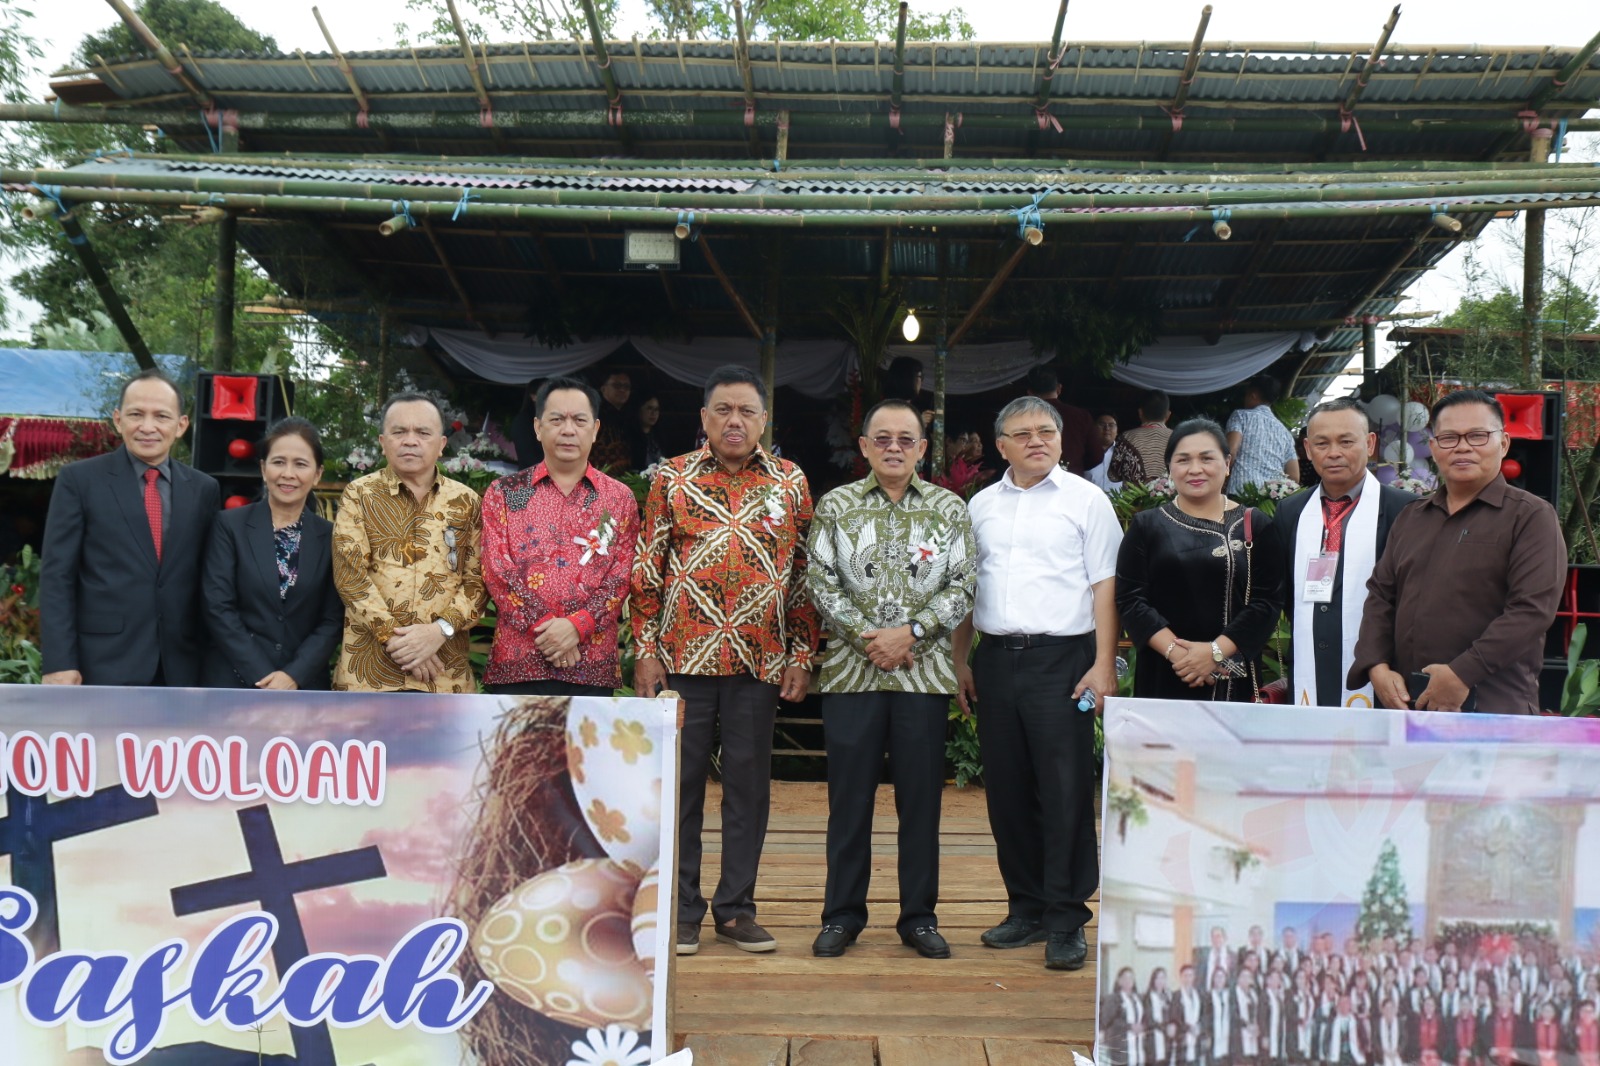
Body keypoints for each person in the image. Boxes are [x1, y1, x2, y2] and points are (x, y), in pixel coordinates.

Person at [631, 364, 820, 957]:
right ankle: (682, 910)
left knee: (748, 788)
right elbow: (647, 570)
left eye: (746, 411)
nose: (734, 421)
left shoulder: (790, 482)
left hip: (758, 661)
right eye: (723, 410)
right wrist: (645, 651)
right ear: (704, 418)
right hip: (682, 657)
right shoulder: (671, 479)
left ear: (764, 420)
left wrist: (801, 653)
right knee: (680, 788)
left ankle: (736, 909)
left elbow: (803, 577)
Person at [952, 394, 1122, 971]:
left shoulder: (1088, 500)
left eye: (1046, 431)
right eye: (1022, 434)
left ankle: (1066, 915)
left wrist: (1103, 666)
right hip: (997, 659)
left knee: (1065, 787)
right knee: (1007, 789)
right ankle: (1023, 907)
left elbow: (1105, 587)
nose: (1036, 441)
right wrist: (960, 662)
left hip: (1063, 662)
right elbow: (967, 593)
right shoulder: (980, 507)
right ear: (1001, 446)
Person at [806, 399, 976, 961]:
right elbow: (821, 582)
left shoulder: (949, 510)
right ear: (864, 446)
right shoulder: (836, 506)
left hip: (922, 677)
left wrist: (911, 633)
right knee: (848, 801)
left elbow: (963, 584)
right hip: (852, 676)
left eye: (907, 439)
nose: (894, 447)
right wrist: (869, 638)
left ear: (924, 448)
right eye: (883, 438)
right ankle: (842, 915)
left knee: (921, 803)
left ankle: (919, 917)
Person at [1348, 390, 1566, 713]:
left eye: (1478, 436)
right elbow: (1381, 595)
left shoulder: (1530, 517)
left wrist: (1462, 673)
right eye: (1449, 437)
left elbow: (1531, 611)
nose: (1463, 446)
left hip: (1493, 707)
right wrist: (1376, 665)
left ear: (1503, 443)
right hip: (1409, 706)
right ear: (1434, 447)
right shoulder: (1413, 516)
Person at [40, 368, 220, 687]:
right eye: (136, 414)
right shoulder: (80, 481)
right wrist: (59, 662)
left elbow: (209, 580)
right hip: (102, 662)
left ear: (181, 425)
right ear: (118, 419)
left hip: (183, 665)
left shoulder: (204, 489)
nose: (147, 426)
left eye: (161, 416)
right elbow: (57, 576)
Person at [479, 376, 639, 697]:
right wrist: (552, 632)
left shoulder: (619, 498)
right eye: (557, 419)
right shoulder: (505, 493)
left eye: (579, 420)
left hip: (590, 663)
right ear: (538, 427)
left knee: (584, 750)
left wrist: (577, 627)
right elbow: (497, 571)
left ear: (594, 429)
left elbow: (621, 576)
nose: (568, 430)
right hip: (518, 662)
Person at [1260, 398, 1417, 708]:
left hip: (1383, 671)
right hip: (1310, 663)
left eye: (1346, 441)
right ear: (1307, 449)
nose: (1333, 453)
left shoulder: (1404, 509)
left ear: (1370, 443)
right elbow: (1282, 593)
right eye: (1322, 443)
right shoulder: (1290, 511)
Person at [1116, 418, 1285, 702]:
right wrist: (1181, 656)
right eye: (1183, 460)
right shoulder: (1147, 526)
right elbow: (1130, 600)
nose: (1195, 469)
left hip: (1234, 673)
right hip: (1165, 671)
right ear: (1170, 467)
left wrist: (1214, 653)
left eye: (1207, 458)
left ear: (1227, 463)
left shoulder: (1255, 524)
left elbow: (1267, 601)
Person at [331, 391, 486, 692]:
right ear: (383, 442)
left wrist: (438, 632)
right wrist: (399, 640)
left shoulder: (466, 502)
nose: (410, 440)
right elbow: (350, 576)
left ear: (441, 445)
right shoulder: (359, 495)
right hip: (370, 676)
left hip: (443, 674)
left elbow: (477, 582)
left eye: (423, 432)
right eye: (399, 432)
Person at [201, 418, 342, 690]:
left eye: (300, 464)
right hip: (233, 682)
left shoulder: (332, 537)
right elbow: (218, 608)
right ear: (264, 469)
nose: (288, 473)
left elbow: (333, 619)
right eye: (278, 462)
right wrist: (264, 676)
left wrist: (293, 676)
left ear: (317, 474)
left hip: (303, 686)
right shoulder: (229, 526)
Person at [1025, 365, 1104, 477]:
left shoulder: (1023, 418)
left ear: (1030, 393)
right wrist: (1076, 465)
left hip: (1034, 481)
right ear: (1059, 388)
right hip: (1072, 479)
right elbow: (1096, 456)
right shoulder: (1080, 416)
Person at [1225, 376, 1299, 493]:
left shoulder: (1241, 416)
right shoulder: (1285, 433)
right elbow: (1294, 477)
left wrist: (1222, 481)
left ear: (1253, 395)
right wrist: (1273, 493)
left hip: (1240, 492)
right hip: (1270, 501)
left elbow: (1231, 452)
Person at [1111, 390, 1174, 484]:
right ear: (1168, 415)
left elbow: (1113, 476)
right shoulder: (1178, 438)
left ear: (1140, 413)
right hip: (1173, 498)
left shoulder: (1126, 438)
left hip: (1133, 498)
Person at [1103, 966, 1149, 1066]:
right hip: (1120, 1047)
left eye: (1131, 978)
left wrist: (1143, 1026)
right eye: (1125, 978)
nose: (1128, 980)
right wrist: (1129, 1026)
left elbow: (1146, 1017)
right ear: (1119, 981)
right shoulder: (1113, 999)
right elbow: (1106, 1021)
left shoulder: (1139, 998)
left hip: (1138, 1045)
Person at [591, 369, 635, 472]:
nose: (622, 390)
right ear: (603, 389)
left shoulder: (630, 415)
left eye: (626, 387)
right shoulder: (594, 414)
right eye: (617, 386)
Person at [507, 377, 545, 470]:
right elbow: (528, 456)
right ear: (533, 396)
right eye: (546, 393)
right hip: (532, 475)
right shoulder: (523, 421)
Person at [1088, 412, 1124, 491]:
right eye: (1102, 424)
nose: (1107, 428)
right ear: (1094, 428)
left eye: (1111, 425)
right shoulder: (1086, 451)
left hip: (1118, 501)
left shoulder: (1123, 452)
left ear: (1117, 431)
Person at [633, 391, 666, 471]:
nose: (653, 413)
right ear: (639, 410)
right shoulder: (631, 437)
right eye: (649, 408)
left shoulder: (660, 436)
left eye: (656, 409)